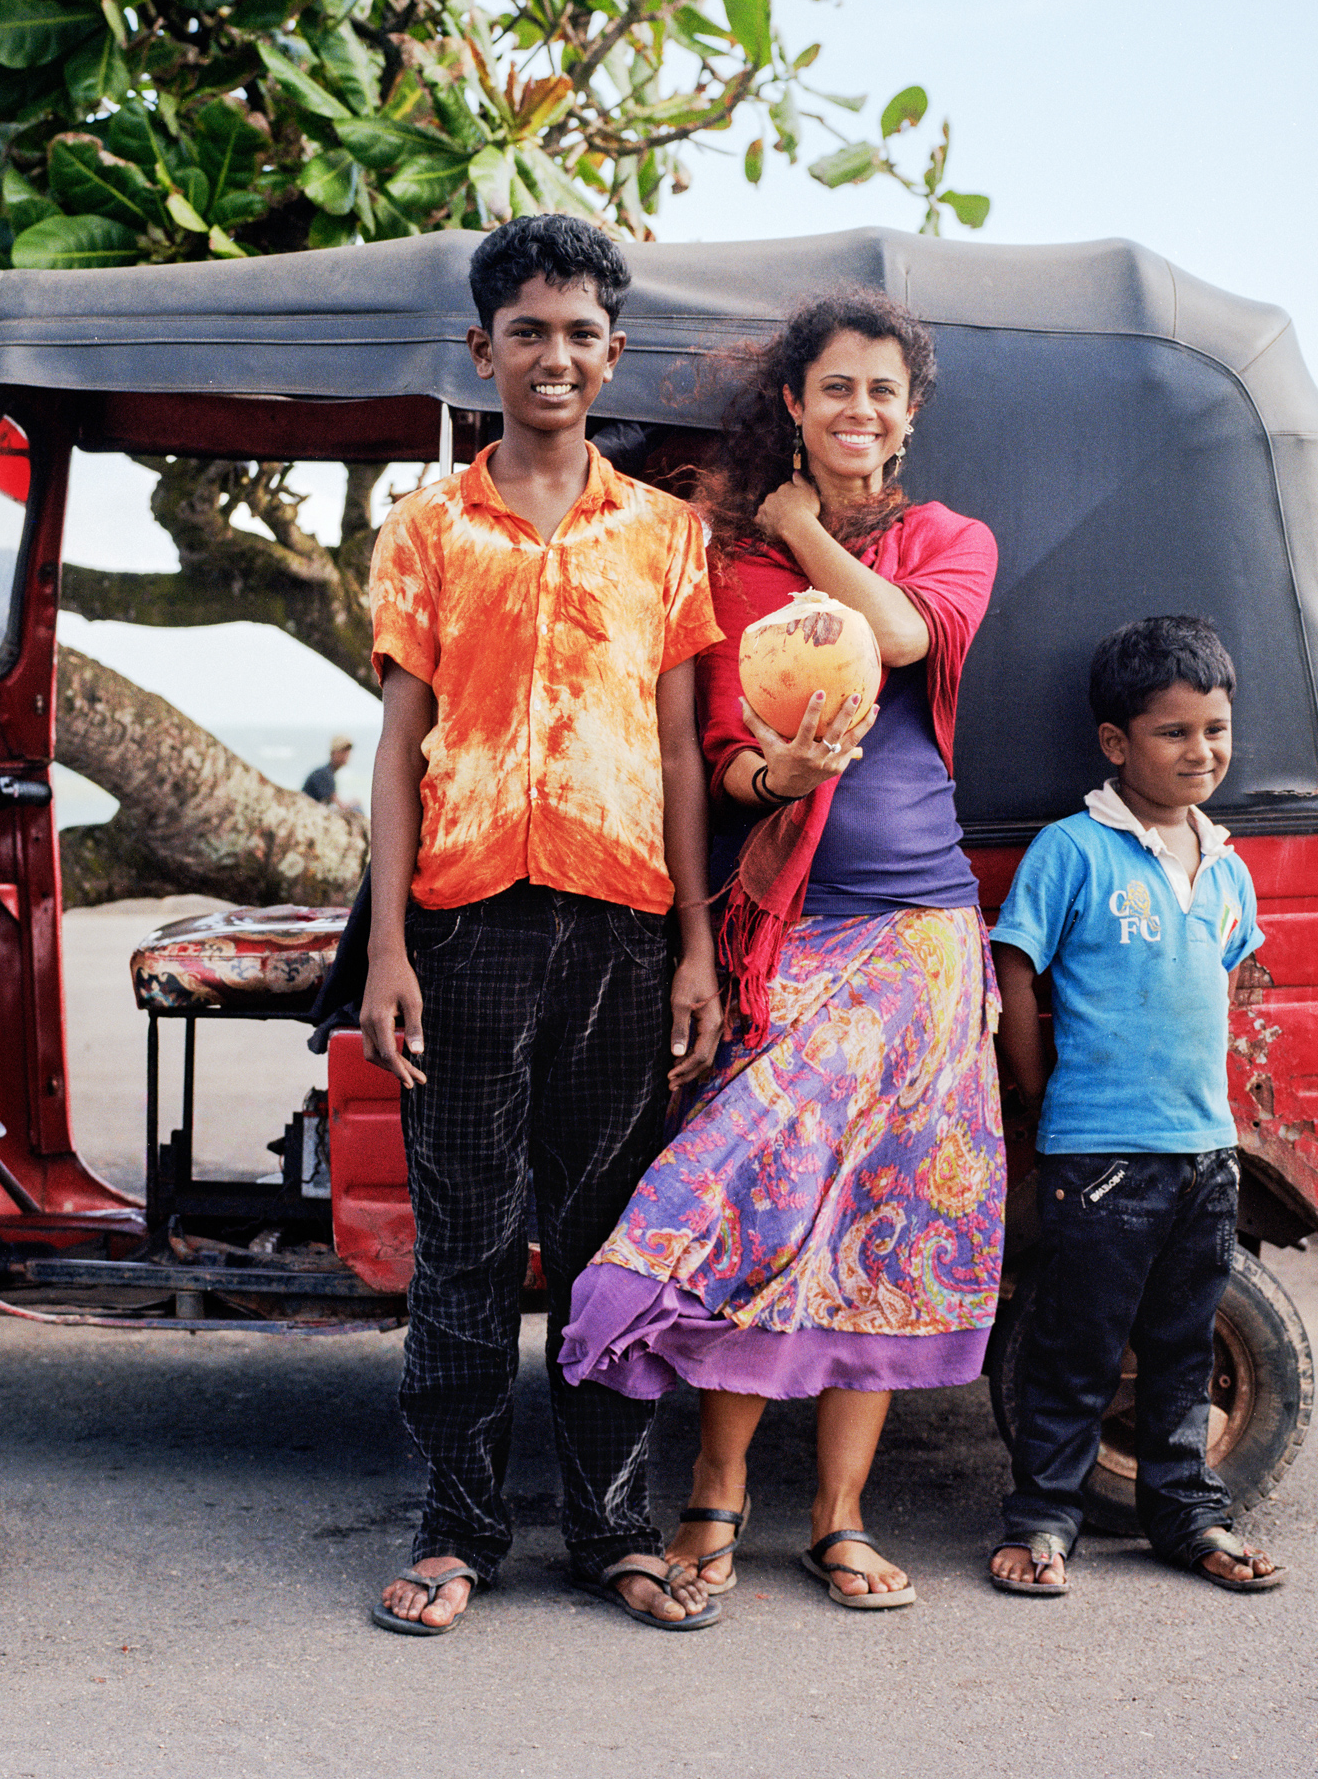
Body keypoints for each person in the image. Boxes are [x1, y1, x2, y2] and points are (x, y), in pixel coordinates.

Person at [559, 285, 1004, 1612]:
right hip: (792, 934)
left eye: (884, 391)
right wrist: (775, 775)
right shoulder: (719, 561)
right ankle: (714, 1496)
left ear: (909, 415)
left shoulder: (946, 540)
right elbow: (713, 754)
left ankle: (841, 1519)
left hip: (926, 936)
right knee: (762, 1204)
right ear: (796, 407)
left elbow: (906, 637)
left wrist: (807, 527)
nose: (860, 409)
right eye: (836, 389)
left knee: (888, 1219)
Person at [360, 214, 728, 1635]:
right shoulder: (433, 529)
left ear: (613, 354)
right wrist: (390, 947)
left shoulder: (667, 536)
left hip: (627, 928)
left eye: (580, 333)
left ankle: (612, 1532)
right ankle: (457, 1532)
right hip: (466, 925)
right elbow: (398, 751)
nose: (555, 355)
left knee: (601, 1242)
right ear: (483, 352)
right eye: (528, 331)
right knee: (464, 1239)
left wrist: (695, 946)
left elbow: (686, 753)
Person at [984, 616, 1283, 1595]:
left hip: (1205, 1150)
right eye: (1174, 732)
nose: (1201, 751)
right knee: (1074, 1346)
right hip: (1101, 1151)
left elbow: (1226, 980)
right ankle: (1043, 1519)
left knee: (1181, 1346)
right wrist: (1035, 1088)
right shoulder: (1073, 849)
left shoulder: (1227, 863)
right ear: (1116, 742)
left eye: (1216, 729)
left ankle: (1184, 1511)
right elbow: (1016, 963)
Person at [302, 734, 355, 810]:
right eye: (342, 751)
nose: (346, 755)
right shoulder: (324, 774)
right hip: (306, 812)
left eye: (347, 751)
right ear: (333, 753)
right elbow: (341, 805)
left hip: (312, 811)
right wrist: (354, 802)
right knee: (356, 808)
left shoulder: (327, 772)